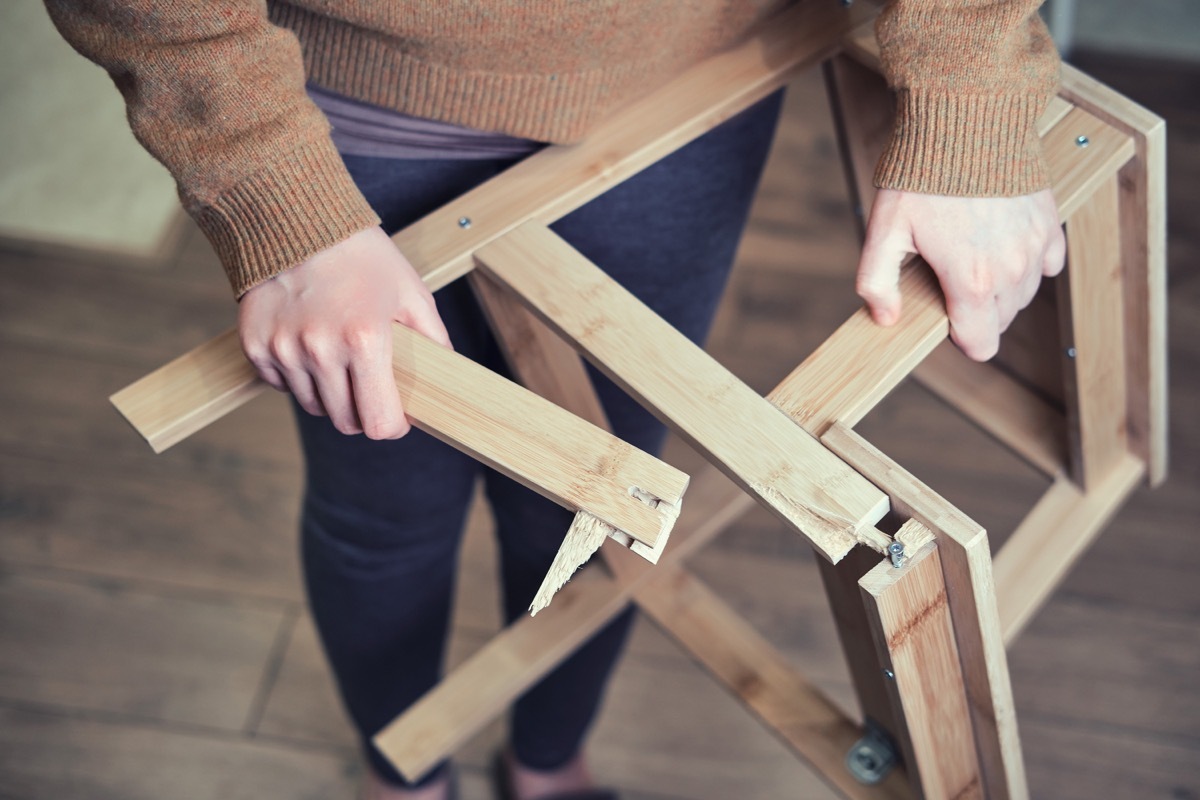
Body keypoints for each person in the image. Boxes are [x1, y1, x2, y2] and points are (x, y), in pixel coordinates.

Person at [45, 2, 1065, 798]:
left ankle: (546, 756)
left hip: (688, 76)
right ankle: (404, 766)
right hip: (346, 94)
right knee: (384, 514)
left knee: (597, 503)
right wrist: (266, 176)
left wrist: (975, 90)